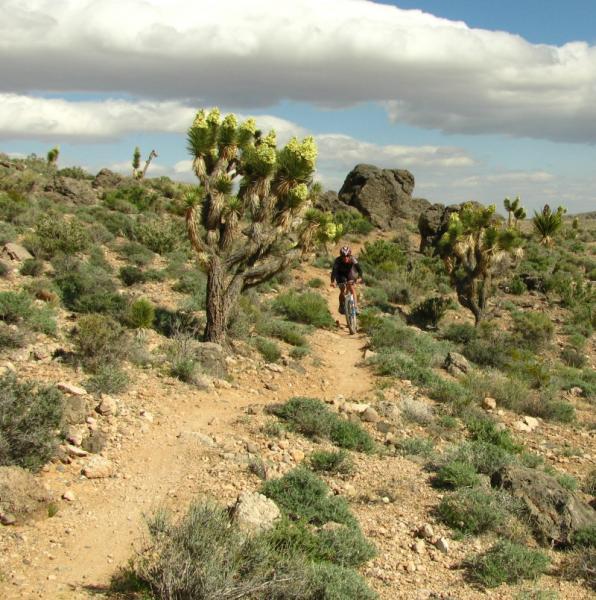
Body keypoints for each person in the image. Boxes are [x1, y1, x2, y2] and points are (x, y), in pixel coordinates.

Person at [330, 246, 363, 315]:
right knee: (343, 289)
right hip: (340, 274)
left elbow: (359, 269)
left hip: (349, 273)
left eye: (347, 256)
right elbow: (334, 272)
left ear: (350, 255)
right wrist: (332, 281)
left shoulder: (353, 259)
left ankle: (356, 307)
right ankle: (341, 305)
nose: (346, 258)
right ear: (341, 256)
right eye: (343, 256)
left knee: (352, 288)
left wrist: (360, 277)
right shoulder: (337, 260)